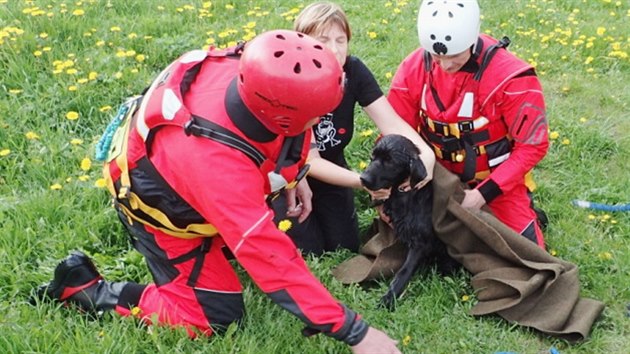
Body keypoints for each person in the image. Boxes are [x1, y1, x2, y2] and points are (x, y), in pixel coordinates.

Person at [34, 30, 401, 354]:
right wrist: (354, 331)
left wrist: (294, 175)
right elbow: (271, 258)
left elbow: (285, 134)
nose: (320, 121)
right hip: (159, 206)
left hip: (185, 171)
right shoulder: (217, 165)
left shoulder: (253, 70)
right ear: (284, 116)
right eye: (316, 115)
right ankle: (85, 291)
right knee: (214, 318)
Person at [273, 1, 436, 255]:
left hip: (334, 169)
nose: (335, 50)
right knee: (310, 250)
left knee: (344, 246)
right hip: (291, 174)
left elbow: (391, 124)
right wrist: (364, 182)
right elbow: (310, 160)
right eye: (323, 40)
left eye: (341, 40)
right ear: (302, 42)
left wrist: (426, 158)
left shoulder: (353, 71)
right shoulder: (293, 78)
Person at [387, 0, 549, 249]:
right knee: (404, 233)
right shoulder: (415, 66)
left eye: (454, 57)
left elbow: (532, 147)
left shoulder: (511, 78)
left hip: (495, 182)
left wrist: (481, 195)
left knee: (527, 254)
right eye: (436, 56)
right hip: (435, 177)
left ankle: (524, 213)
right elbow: (395, 129)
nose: (445, 65)